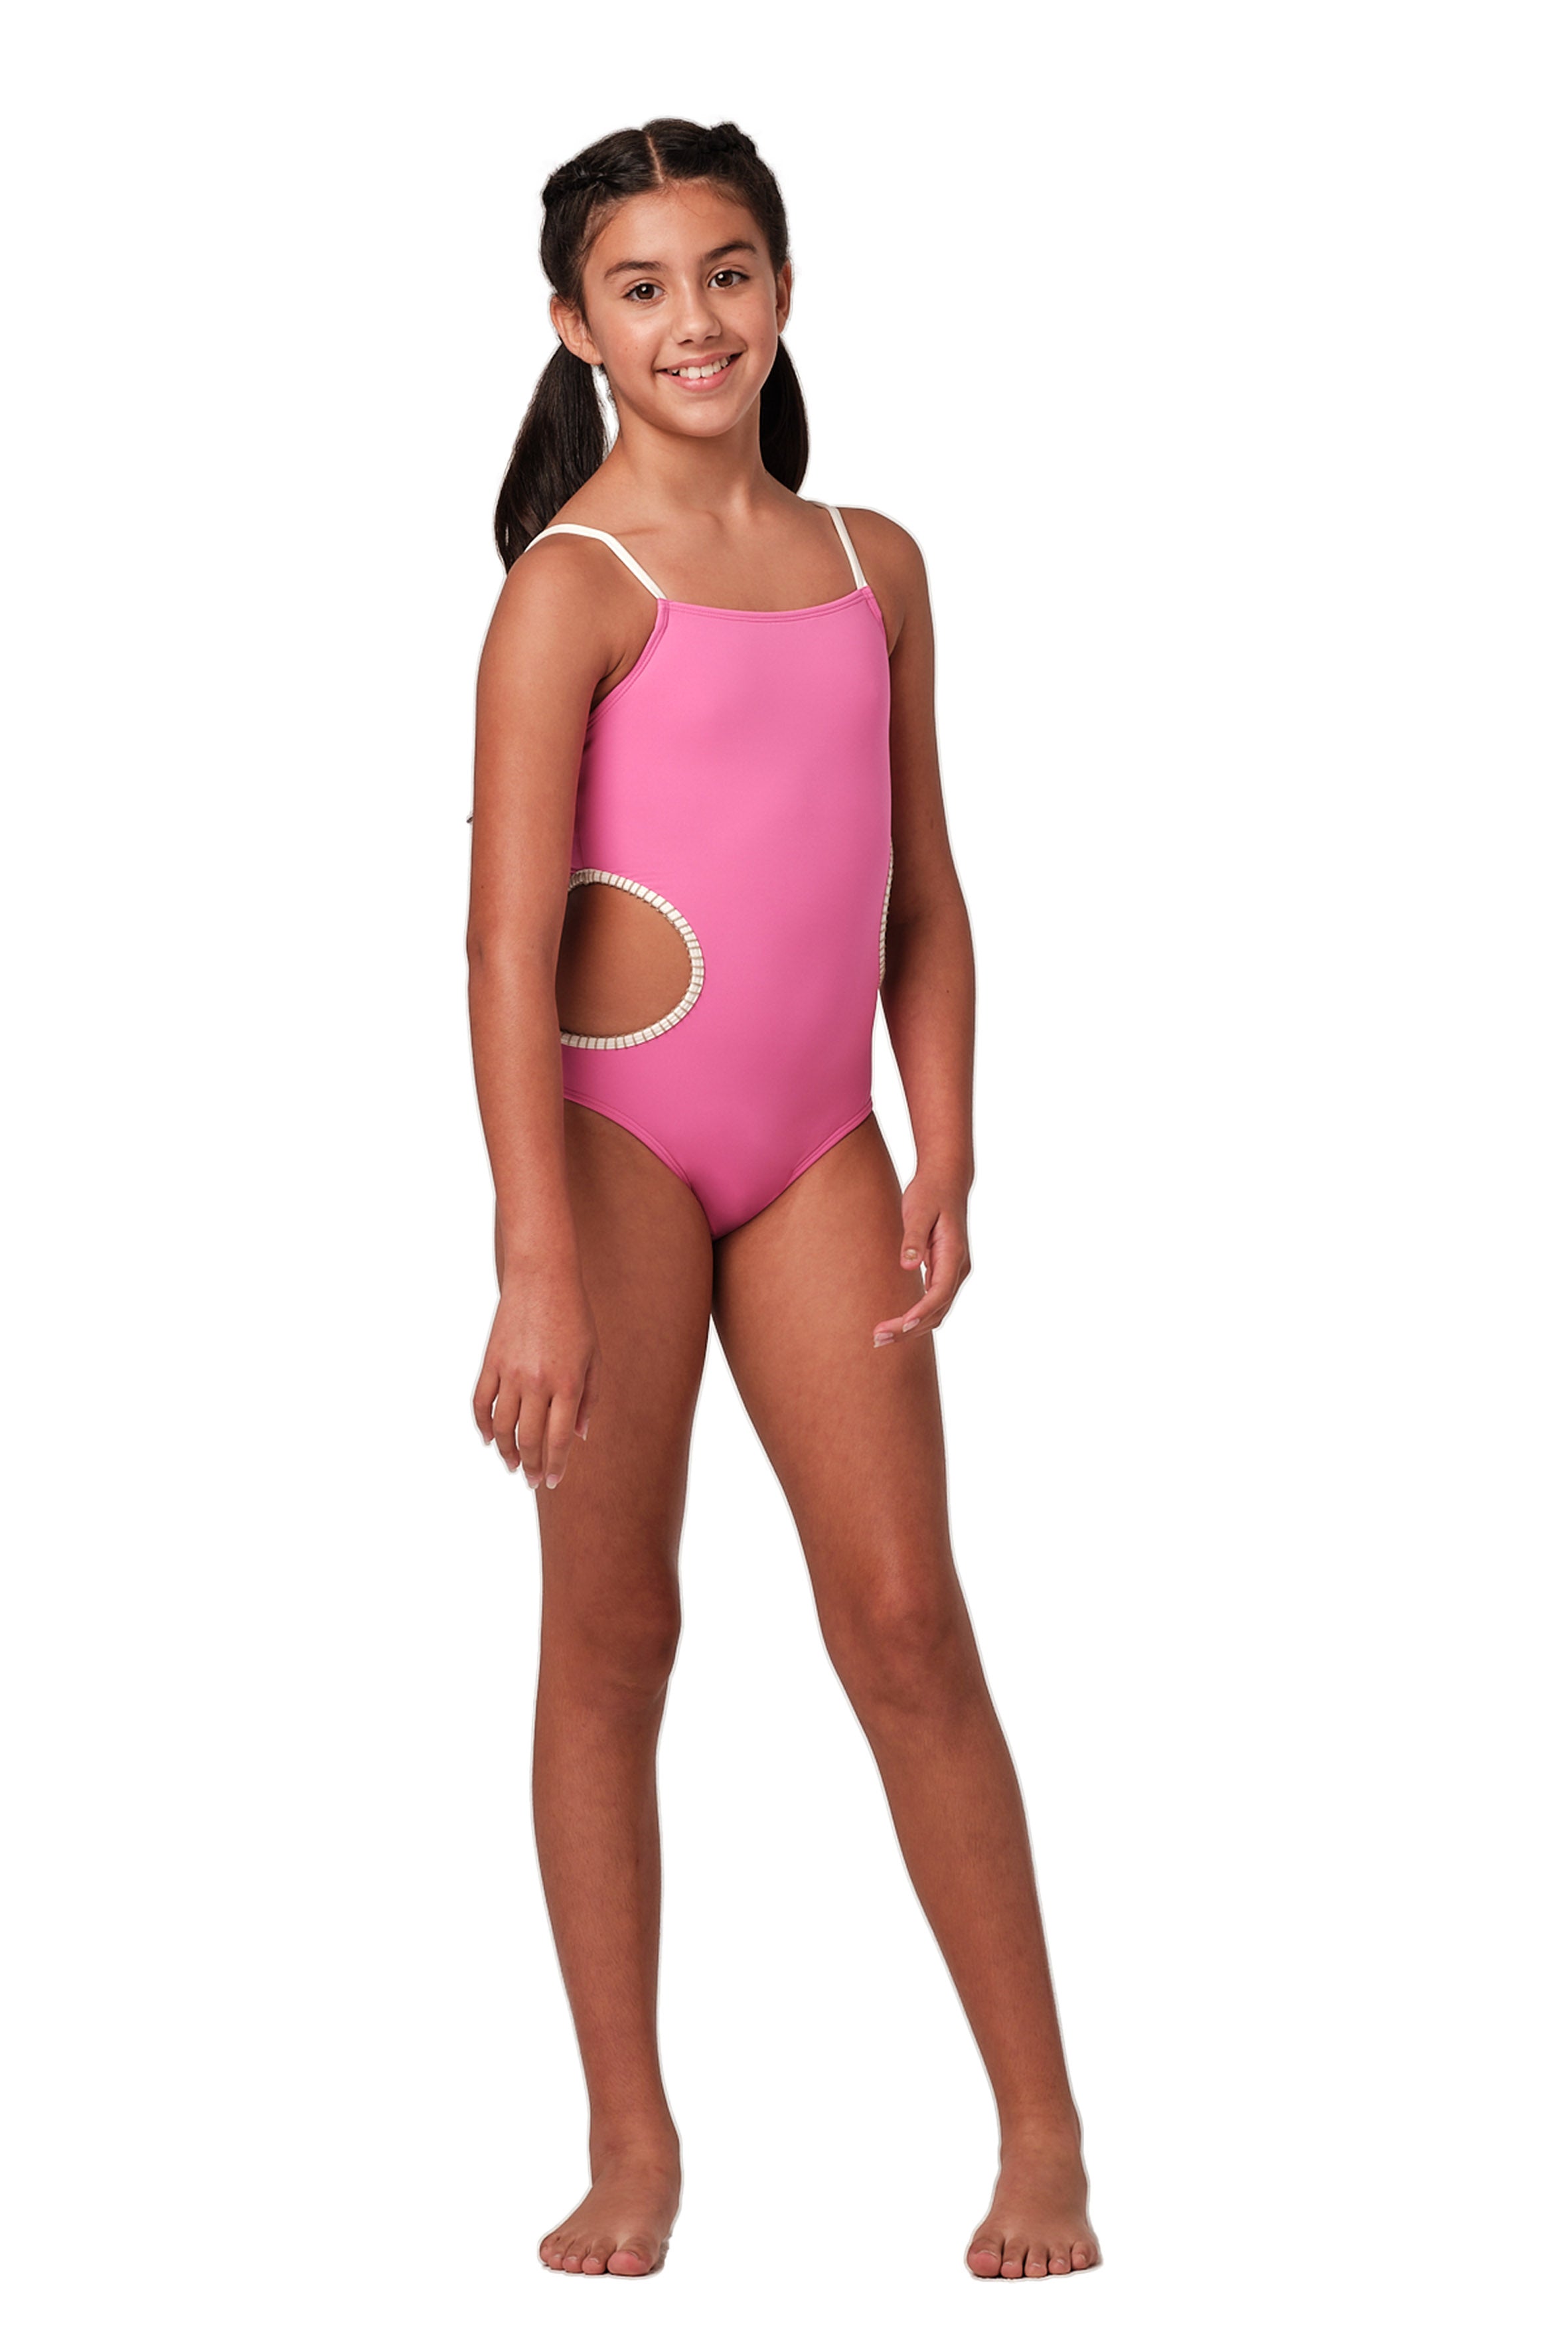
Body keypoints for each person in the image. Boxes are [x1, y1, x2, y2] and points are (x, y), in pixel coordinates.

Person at [467, 116, 1100, 2284]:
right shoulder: (569, 590)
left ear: (786, 287)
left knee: (908, 1622)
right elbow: (501, 946)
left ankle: (1043, 2137)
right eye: (640, 287)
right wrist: (534, 1265)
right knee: (615, 1633)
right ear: (575, 328)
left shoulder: (871, 563)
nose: (692, 320)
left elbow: (922, 890)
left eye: (725, 273)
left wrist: (948, 1137)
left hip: (821, 1147)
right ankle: (631, 2142)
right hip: (618, 1154)